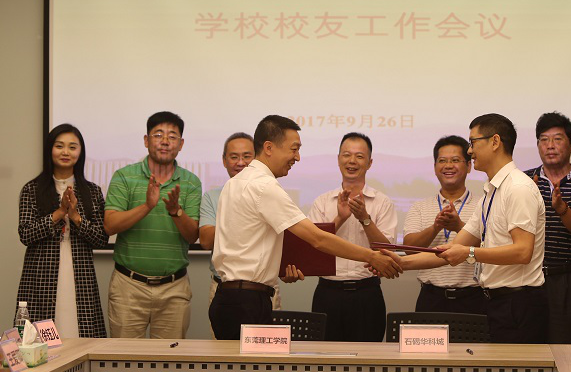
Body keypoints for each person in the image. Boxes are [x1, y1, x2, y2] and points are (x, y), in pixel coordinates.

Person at [209, 116, 402, 340]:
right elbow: (317, 238)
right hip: (247, 302)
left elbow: (249, 243)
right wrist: (371, 256)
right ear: (269, 148)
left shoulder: (234, 183)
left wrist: (281, 268)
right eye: (294, 149)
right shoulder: (264, 186)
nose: (297, 157)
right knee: (252, 364)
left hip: (229, 297)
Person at [381, 114, 547, 344]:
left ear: (495, 142)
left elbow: (522, 251)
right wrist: (401, 262)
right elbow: (453, 248)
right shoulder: (491, 194)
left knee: (513, 368)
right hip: (497, 302)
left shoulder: (518, 188)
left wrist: (470, 253)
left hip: (518, 303)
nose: (470, 151)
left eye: (473, 142)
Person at [104, 111, 202, 339]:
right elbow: (110, 225)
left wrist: (176, 212)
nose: (165, 141)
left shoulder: (191, 182)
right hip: (129, 285)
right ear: (146, 141)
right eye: (158, 135)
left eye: (172, 136)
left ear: (181, 144)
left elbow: (192, 236)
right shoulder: (124, 177)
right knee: (124, 359)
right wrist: (147, 206)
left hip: (174, 288)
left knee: (169, 360)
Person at [16, 124, 108, 338]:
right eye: (59, 146)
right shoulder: (32, 189)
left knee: (81, 333)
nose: (66, 152)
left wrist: (75, 217)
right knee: (40, 341)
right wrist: (58, 213)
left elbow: (101, 239)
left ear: (80, 153)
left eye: (72, 147)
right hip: (40, 274)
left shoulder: (92, 191)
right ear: (50, 149)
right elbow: (26, 234)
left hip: (80, 273)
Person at [309, 132, 398, 342]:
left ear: (369, 163)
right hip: (328, 293)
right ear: (338, 159)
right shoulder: (322, 202)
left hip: (366, 293)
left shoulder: (382, 202)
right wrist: (340, 218)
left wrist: (365, 218)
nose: (352, 161)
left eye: (359, 156)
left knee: (368, 358)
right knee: (326, 359)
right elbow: (313, 247)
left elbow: (387, 251)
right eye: (347, 155)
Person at [524, 112, 571, 344]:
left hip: (568, 278)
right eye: (544, 140)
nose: (550, 146)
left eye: (557, 139)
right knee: (528, 349)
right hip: (528, 277)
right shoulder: (524, 181)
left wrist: (562, 209)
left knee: (567, 351)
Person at [199, 133, 282, 338]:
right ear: (224, 160)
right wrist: (243, 221)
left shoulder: (268, 191)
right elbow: (206, 240)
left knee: (267, 353)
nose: (241, 162)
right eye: (234, 157)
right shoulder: (213, 196)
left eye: (247, 156)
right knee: (222, 355)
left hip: (263, 289)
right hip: (223, 287)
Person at [403, 135, 486, 314]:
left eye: (455, 160)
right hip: (431, 298)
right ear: (435, 167)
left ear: (469, 166)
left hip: (474, 298)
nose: (448, 165)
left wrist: (459, 226)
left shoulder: (483, 204)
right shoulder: (420, 207)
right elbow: (409, 249)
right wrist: (435, 227)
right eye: (442, 161)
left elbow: (491, 246)